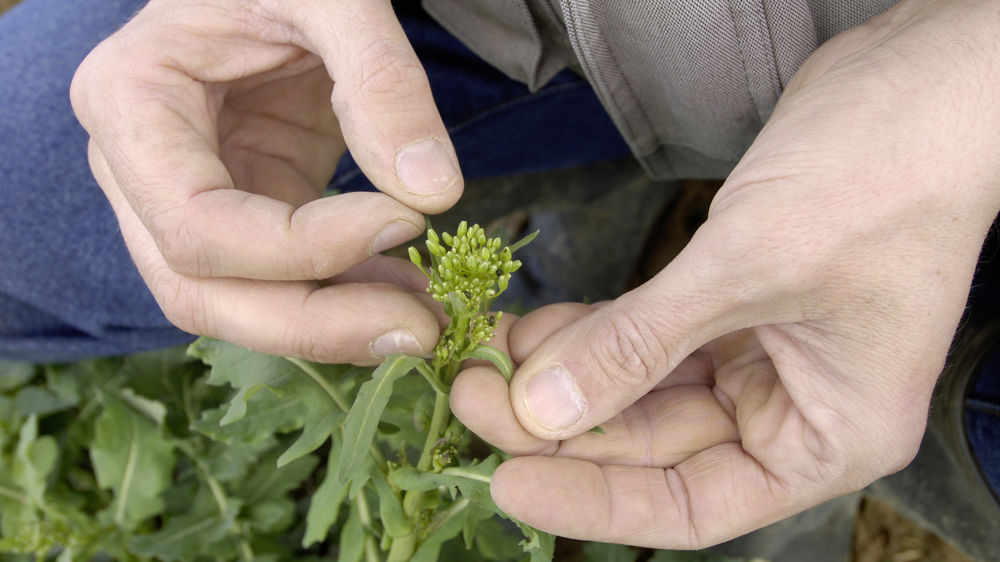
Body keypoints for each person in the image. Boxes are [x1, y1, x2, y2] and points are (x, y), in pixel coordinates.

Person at [2, 0, 998, 556]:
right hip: (528, 24)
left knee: (856, 418)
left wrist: (964, 90)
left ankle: (838, 358)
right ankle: (638, 232)